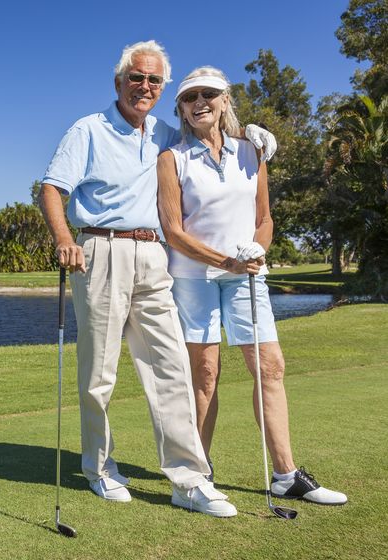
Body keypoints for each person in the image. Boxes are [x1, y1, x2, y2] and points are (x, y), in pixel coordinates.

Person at [39, 40, 275, 517]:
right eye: (136, 77)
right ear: (119, 82)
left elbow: (211, 138)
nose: (143, 86)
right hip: (99, 250)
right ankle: (99, 469)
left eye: (153, 80)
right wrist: (64, 238)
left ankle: (188, 479)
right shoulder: (88, 129)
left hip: (153, 255)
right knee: (99, 373)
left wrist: (253, 135)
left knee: (170, 364)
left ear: (161, 88)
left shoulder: (167, 133)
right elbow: (51, 188)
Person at [156, 66, 347, 505]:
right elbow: (173, 230)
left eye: (209, 94)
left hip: (248, 276)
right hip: (194, 278)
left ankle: (286, 474)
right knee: (204, 375)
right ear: (181, 109)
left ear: (225, 100)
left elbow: (264, 218)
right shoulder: (173, 159)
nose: (199, 101)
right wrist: (225, 260)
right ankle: (197, 475)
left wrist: (257, 250)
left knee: (270, 368)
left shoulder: (252, 151)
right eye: (190, 97)